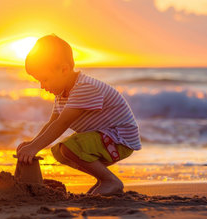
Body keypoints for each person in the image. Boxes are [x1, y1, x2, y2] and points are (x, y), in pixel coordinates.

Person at [16, 35, 142, 195]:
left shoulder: (84, 87)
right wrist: (32, 144)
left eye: (45, 79)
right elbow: (52, 123)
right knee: (59, 151)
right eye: (39, 81)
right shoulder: (62, 93)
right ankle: (103, 178)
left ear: (64, 69)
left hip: (120, 139)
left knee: (69, 148)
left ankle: (110, 180)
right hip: (105, 138)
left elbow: (62, 123)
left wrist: (34, 148)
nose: (42, 86)